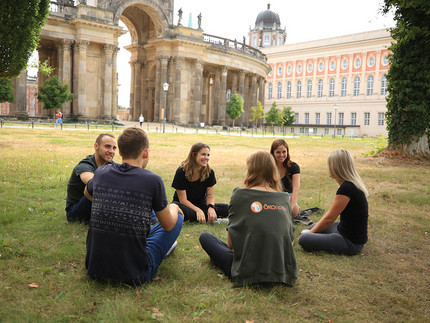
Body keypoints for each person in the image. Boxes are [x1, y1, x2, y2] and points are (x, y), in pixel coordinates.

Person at [84, 127, 183, 285]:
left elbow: (88, 193)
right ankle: (160, 248)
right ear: (146, 152)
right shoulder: (152, 180)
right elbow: (168, 224)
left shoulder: (102, 172)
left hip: (95, 268)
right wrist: (174, 207)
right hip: (135, 274)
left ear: (121, 152)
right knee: (176, 218)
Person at [199, 151, 297, 287]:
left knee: (206, 237)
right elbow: (289, 241)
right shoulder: (285, 198)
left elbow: (231, 244)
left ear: (250, 170)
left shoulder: (240, 195)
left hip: (248, 273)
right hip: (283, 274)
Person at [298, 149, 369, 256]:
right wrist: (312, 231)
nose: (328, 168)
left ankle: (312, 235)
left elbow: (329, 218)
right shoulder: (351, 184)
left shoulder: (346, 188)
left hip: (349, 242)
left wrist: (310, 234)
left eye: (329, 165)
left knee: (304, 238)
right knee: (312, 227)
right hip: (344, 230)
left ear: (336, 167)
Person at [65, 133, 116, 223]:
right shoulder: (85, 165)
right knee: (94, 188)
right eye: (107, 146)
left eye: (114, 148)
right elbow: (93, 184)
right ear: (96, 146)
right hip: (75, 213)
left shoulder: (112, 165)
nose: (111, 151)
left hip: (97, 208)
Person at [171, 143, 228, 223]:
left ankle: (204, 217)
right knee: (175, 208)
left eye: (208, 155)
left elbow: (210, 196)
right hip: (184, 205)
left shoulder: (210, 172)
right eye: (203, 154)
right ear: (194, 154)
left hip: (201, 205)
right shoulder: (181, 171)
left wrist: (211, 207)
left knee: (227, 208)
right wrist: (198, 211)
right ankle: (211, 219)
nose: (206, 158)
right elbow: (183, 200)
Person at [270, 139, 311, 225]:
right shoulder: (269, 167)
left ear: (287, 152)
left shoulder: (294, 167)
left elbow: (296, 189)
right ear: (273, 153)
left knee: (294, 210)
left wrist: (291, 206)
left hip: (288, 197)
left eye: (284, 152)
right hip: (273, 196)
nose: (281, 155)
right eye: (278, 152)